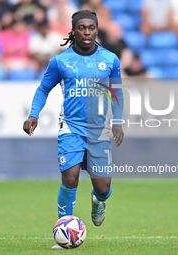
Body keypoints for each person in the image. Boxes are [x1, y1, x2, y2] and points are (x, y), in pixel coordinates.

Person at [23, 10, 124, 248]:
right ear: (73, 31)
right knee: (70, 177)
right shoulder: (61, 61)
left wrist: (117, 121)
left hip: (99, 131)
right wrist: (33, 114)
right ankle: (64, 228)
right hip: (71, 127)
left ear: (97, 29)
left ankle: (98, 201)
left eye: (91, 27)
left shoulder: (110, 60)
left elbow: (117, 91)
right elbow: (43, 88)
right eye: (82, 28)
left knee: (103, 186)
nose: (87, 32)